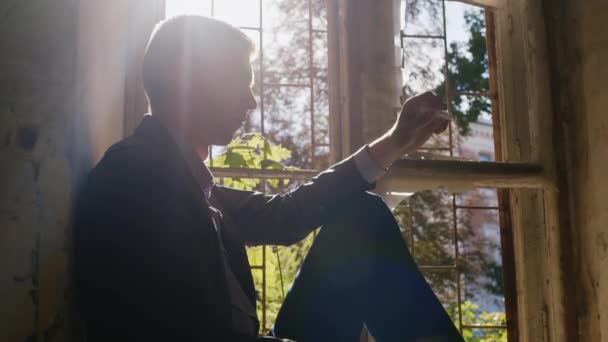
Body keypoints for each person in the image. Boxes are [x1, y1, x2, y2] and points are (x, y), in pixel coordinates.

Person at [73, 15, 463, 342]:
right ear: (186, 79)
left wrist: (394, 143)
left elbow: (287, 214)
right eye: (241, 80)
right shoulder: (135, 177)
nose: (252, 101)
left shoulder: (181, 182)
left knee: (360, 220)